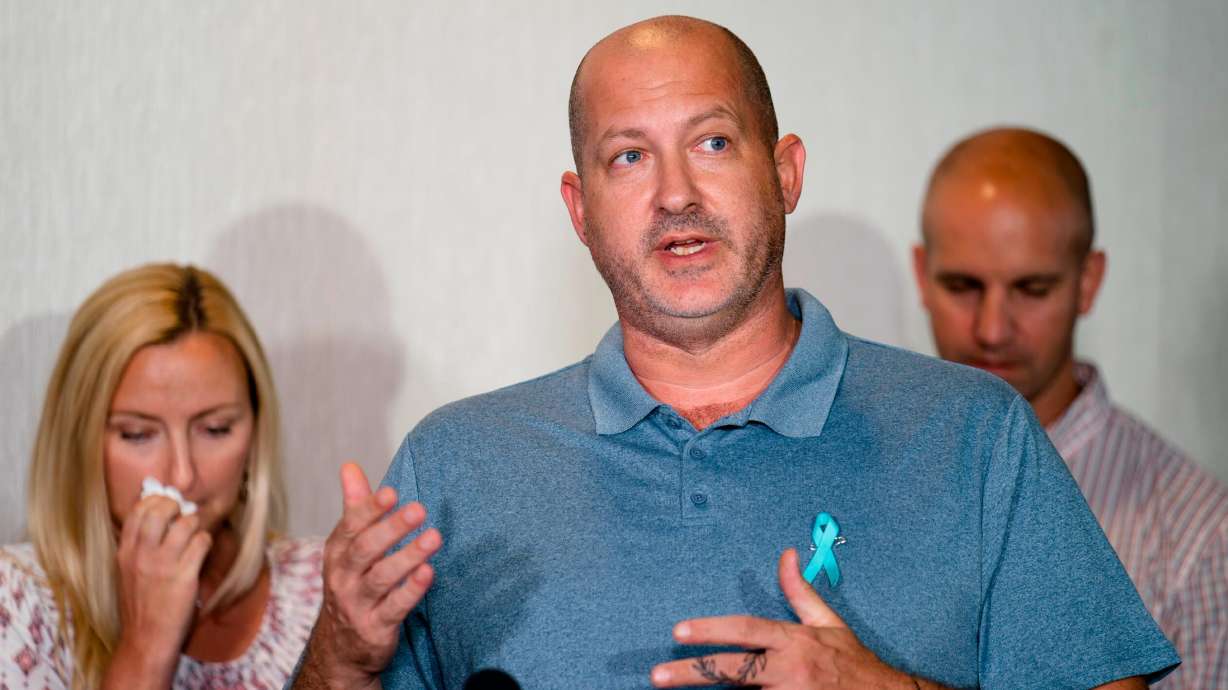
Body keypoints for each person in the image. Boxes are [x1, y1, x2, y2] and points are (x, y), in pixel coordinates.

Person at [291, 17, 1179, 689]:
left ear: (785, 173)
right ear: (580, 210)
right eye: (629, 157)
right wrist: (340, 651)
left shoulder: (975, 435)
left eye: (712, 143)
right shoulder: (454, 465)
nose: (676, 194)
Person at [913, 126, 1228, 689]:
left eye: (1032, 289)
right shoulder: (874, 464)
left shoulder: (1199, 538)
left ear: (1089, 282)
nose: (991, 329)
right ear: (921, 275)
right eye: (963, 286)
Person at [0, 263, 323, 689]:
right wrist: (145, 648)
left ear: (256, 429)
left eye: (216, 429)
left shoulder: (324, 586)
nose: (183, 475)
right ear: (80, 440)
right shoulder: (18, 604)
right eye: (137, 434)